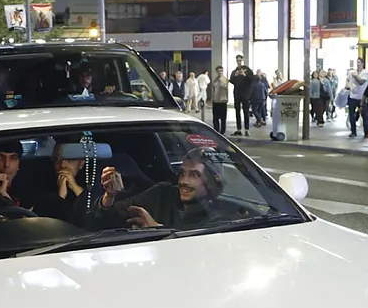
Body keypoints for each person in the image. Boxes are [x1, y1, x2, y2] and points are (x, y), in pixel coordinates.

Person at [93, 148, 232, 230]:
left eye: (194, 175)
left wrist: (157, 230)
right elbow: (102, 221)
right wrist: (109, 197)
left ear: (212, 182)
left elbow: (197, 252)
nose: (184, 181)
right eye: (182, 173)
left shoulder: (221, 218)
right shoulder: (162, 194)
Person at [346, 57, 368, 137]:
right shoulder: (351, 72)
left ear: (362, 63)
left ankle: (366, 132)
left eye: (359, 62)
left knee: (365, 115)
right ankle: (353, 131)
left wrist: (356, 76)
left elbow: (361, 82)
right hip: (352, 97)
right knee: (351, 115)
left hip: (362, 98)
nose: (357, 64)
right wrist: (347, 86)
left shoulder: (365, 73)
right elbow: (348, 80)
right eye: (357, 62)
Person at [229, 56, 253, 135]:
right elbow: (231, 81)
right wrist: (235, 76)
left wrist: (244, 75)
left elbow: (251, 80)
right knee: (237, 111)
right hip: (237, 94)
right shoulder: (234, 71)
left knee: (246, 111)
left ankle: (247, 129)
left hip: (245, 94)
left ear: (242, 61)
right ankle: (238, 129)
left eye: (240, 60)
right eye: (237, 61)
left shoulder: (248, 70)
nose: (239, 62)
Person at [209, 66, 230, 134]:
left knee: (223, 118)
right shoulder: (215, 80)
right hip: (215, 101)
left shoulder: (224, 79)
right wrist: (212, 98)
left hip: (222, 101)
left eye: (221, 71)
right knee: (215, 118)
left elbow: (225, 87)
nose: (220, 72)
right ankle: (216, 131)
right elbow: (213, 89)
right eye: (218, 71)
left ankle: (222, 131)